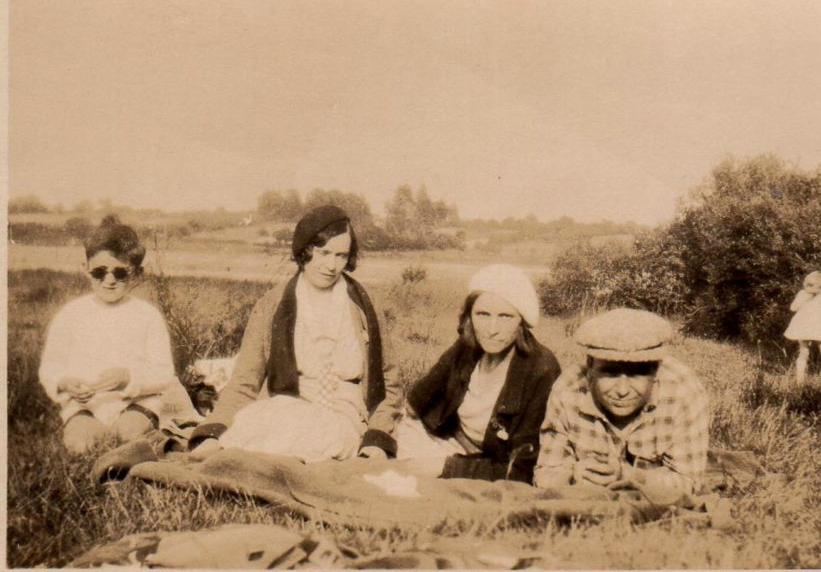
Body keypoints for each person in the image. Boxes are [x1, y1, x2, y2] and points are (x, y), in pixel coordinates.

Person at [188, 206, 402, 462]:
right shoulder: (272, 305)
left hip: (343, 415)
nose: (332, 265)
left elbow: (391, 383)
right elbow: (244, 382)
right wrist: (213, 432)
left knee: (318, 436)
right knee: (260, 418)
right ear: (305, 250)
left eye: (341, 255)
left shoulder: (365, 306)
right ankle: (236, 453)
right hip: (288, 407)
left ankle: (251, 460)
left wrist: (376, 439)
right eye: (323, 253)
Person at [38, 215, 196, 454]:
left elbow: (164, 373)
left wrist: (128, 378)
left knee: (129, 435)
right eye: (100, 272)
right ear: (86, 269)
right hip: (86, 405)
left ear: (136, 273)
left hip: (138, 401)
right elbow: (50, 367)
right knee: (82, 444)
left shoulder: (146, 315)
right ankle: (100, 441)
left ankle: (153, 442)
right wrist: (64, 383)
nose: (109, 281)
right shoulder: (71, 314)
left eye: (120, 273)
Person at [394, 264, 561, 483]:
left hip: (491, 464)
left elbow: (521, 468)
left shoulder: (541, 370)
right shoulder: (467, 346)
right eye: (482, 314)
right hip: (448, 444)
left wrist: (445, 467)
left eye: (505, 316)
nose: (492, 329)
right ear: (469, 316)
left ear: (522, 321)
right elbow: (416, 402)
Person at [534, 308, 709, 505]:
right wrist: (572, 475)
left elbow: (690, 482)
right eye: (610, 373)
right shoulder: (567, 390)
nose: (623, 390)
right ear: (590, 367)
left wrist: (630, 476)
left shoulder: (683, 392)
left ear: (656, 370)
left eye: (637, 374)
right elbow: (545, 474)